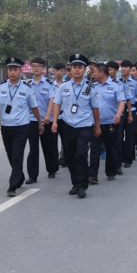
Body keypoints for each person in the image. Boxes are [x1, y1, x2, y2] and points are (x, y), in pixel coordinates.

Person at [0, 57, 44, 197]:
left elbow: (34, 107)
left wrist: (40, 123)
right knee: (11, 155)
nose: (12, 72)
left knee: (17, 155)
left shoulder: (26, 88)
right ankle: (20, 176)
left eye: (15, 69)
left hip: (22, 127)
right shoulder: (1, 86)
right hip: (6, 127)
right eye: (10, 69)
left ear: (20, 71)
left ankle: (13, 185)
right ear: (7, 71)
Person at [52, 53, 101, 199]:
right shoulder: (64, 87)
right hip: (67, 125)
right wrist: (55, 122)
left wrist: (97, 126)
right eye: (74, 67)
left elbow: (95, 108)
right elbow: (57, 104)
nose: (77, 70)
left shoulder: (90, 87)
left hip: (84, 125)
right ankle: (75, 182)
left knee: (81, 154)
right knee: (70, 156)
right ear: (71, 69)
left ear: (85, 69)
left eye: (80, 67)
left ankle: (82, 185)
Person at [88, 63, 125, 184]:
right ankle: (93, 175)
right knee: (94, 149)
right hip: (95, 123)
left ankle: (111, 171)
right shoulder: (92, 86)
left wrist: (118, 114)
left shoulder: (115, 86)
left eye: (95, 72)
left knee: (111, 148)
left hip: (110, 122)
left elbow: (121, 102)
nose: (92, 74)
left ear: (102, 73)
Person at [26, 57, 57, 183]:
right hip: (31, 120)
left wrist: (48, 115)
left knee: (47, 146)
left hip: (46, 119)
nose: (36, 68)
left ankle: (51, 169)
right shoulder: (27, 84)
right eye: (34, 66)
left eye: (39, 66)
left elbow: (52, 99)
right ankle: (32, 176)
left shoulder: (49, 84)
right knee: (33, 148)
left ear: (43, 68)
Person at [119, 60, 137, 168]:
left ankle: (128, 159)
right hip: (119, 111)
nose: (123, 69)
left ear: (130, 69)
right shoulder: (116, 82)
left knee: (130, 136)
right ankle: (120, 157)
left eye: (126, 67)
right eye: (122, 67)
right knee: (119, 136)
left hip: (131, 110)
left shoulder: (135, 83)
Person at [107, 61, 130, 176]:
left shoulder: (119, 84)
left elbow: (125, 100)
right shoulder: (98, 83)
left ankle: (118, 164)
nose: (108, 71)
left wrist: (128, 113)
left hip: (117, 116)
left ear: (116, 71)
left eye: (110, 69)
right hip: (104, 118)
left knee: (118, 140)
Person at [50, 62, 67, 170]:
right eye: (57, 70)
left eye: (61, 70)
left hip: (65, 118)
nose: (59, 73)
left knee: (66, 142)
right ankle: (54, 165)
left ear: (64, 71)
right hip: (53, 118)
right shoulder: (50, 85)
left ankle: (67, 161)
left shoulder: (69, 85)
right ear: (54, 71)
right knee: (52, 143)